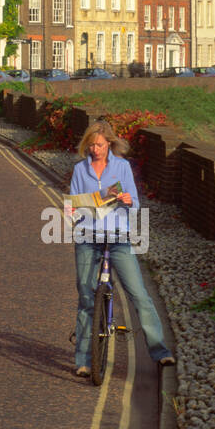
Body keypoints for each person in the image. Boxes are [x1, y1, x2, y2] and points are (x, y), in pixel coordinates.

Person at [67, 120, 175, 378]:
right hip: (87, 237)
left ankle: (160, 352)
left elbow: (135, 203)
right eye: (92, 145)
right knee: (86, 298)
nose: (96, 150)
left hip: (118, 238)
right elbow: (72, 203)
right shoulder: (80, 170)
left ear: (110, 143)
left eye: (101, 145)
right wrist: (70, 210)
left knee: (139, 295)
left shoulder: (122, 167)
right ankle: (83, 359)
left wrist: (127, 200)